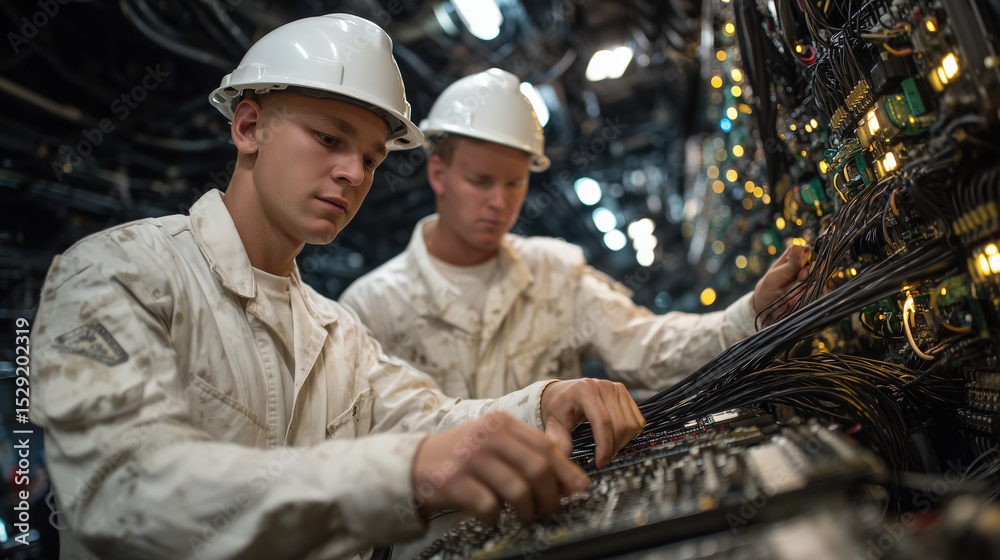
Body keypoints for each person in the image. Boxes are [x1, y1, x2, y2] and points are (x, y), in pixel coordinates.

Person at [28, 16, 644, 560]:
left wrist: (544, 403)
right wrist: (400, 474)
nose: (352, 173)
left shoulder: (335, 331)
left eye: (372, 159)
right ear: (248, 126)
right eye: (328, 139)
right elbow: (123, 490)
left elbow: (429, 421)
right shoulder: (117, 273)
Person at [340, 68, 811, 400]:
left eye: (514, 183)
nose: (499, 202)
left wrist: (748, 314)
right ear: (438, 173)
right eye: (480, 181)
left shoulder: (553, 270)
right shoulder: (373, 306)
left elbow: (643, 347)